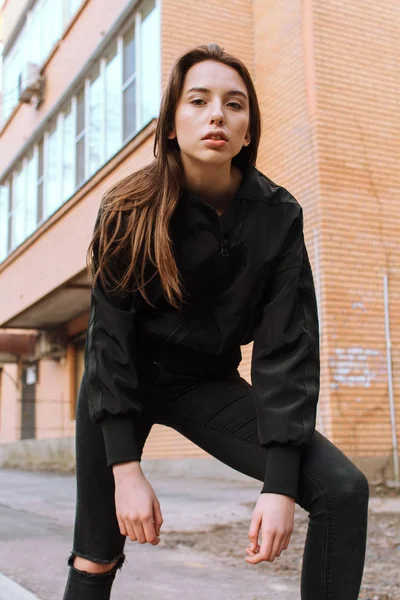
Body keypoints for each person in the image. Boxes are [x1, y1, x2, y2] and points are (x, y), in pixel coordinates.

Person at [63, 43, 369, 600]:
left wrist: (280, 486)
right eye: (198, 101)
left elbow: (287, 348)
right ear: (173, 123)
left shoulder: (278, 216)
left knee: (343, 490)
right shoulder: (128, 209)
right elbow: (108, 340)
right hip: (123, 383)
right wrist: (124, 470)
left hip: (206, 384)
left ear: (248, 130)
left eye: (234, 105)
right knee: (97, 554)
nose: (216, 116)